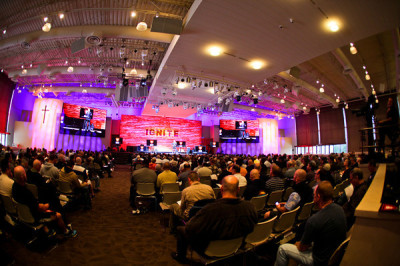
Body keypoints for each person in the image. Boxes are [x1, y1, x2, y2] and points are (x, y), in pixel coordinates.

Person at [171, 175, 257, 263]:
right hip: (236, 246)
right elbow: (252, 227)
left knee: (181, 229)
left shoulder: (210, 210)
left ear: (221, 189)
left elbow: (190, 228)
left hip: (210, 249)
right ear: (238, 190)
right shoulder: (250, 207)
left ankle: (181, 257)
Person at [274, 181, 347, 266]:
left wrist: (298, 244)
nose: (313, 196)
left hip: (319, 260)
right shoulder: (340, 209)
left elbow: (302, 248)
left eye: (314, 194)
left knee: (282, 249)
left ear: (318, 196)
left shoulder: (314, 220)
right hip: (333, 255)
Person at [12, 166, 77, 238]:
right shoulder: (26, 193)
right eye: (24, 173)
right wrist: (48, 204)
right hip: (35, 216)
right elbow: (40, 208)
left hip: (24, 215)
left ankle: (49, 229)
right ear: (22, 177)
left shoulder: (14, 187)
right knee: (58, 212)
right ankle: (66, 232)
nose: (26, 175)